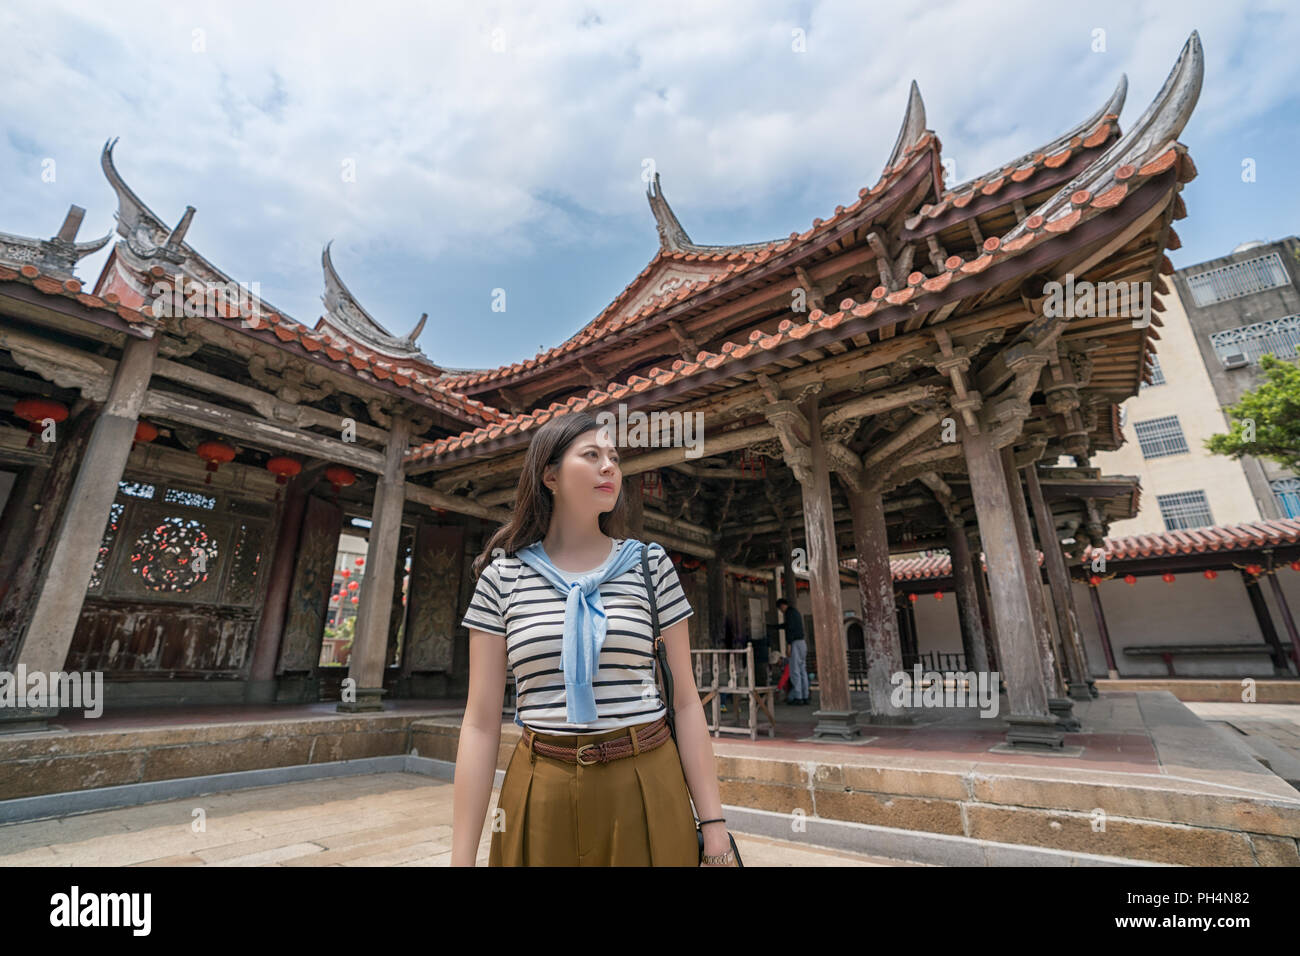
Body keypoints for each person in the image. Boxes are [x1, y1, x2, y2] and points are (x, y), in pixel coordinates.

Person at [450, 411, 738, 867]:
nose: (610, 467)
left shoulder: (650, 566)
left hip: (647, 777)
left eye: (614, 458)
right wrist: (461, 857)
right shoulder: (502, 578)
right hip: (539, 786)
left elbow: (684, 701)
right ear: (549, 475)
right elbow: (481, 722)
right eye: (592, 455)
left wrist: (714, 824)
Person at [776, 597, 809, 705]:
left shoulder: (788, 613)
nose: (781, 611)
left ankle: (798, 697)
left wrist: (788, 645)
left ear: (782, 606)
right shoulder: (795, 612)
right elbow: (787, 626)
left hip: (794, 643)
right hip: (802, 643)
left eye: (780, 609)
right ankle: (805, 695)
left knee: (794, 670)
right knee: (802, 670)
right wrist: (776, 627)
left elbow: (789, 629)